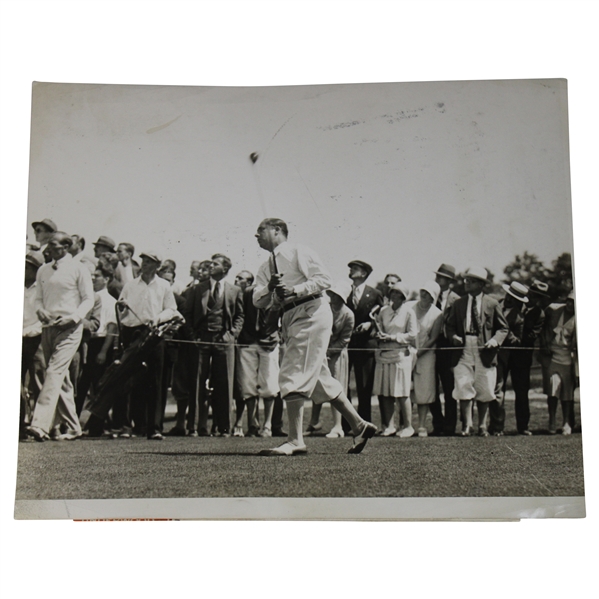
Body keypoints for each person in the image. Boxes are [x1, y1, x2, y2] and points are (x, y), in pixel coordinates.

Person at [253, 218, 377, 455]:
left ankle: (295, 440)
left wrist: (294, 290)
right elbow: (257, 300)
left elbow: (324, 280)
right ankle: (359, 425)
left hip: (311, 311)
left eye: (261, 230)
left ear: (277, 231)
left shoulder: (299, 251)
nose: (256, 235)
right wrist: (270, 287)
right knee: (321, 379)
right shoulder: (266, 265)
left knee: (291, 372)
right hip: (291, 317)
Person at [26, 232, 94, 441]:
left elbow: (88, 299)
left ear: (66, 247)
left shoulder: (78, 268)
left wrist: (74, 318)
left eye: (54, 246)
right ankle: (74, 426)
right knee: (60, 377)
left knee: (54, 373)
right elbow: (38, 299)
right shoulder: (44, 270)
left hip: (69, 328)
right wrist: (40, 311)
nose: (48, 249)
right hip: (48, 327)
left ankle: (40, 424)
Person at [115, 250, 179, 439]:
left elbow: (171, 309)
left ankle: (154, 428)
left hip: (154, 333)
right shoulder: (130, 285)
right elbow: (122, 310)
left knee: (155, 381)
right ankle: (129, 426)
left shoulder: (164, 286)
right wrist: (122, 307)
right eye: (143, 260)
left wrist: (158, 318)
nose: (145, 264)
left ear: (157, 266)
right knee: (128, 379)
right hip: (132, 332)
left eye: (150, 262)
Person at [182, 254, 244, 437]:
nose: (210, 266)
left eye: (215, 264)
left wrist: (231, 335)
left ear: (225, 269)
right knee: (197, 383)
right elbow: (187, 315)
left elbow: (240, 316)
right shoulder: (197, 289)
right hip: (201, 340)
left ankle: (224, 427)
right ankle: (193, 427)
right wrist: (193, 337)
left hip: (223, 341)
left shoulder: (234, 290)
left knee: (225, 384)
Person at [445, 266, 509, 436]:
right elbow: (449, 326)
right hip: (464, 348)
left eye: (471, 281)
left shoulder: (492, 303)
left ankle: (482, 425)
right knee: (463, 384)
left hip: (485, 349)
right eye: (466, 280)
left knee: (485, 387)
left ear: (481, 284)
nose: (467, 283)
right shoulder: (459, 303)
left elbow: (503, 328)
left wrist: (494, 341)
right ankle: (467, 425)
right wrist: (453, 337)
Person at [233, 270, 282, 437]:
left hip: (269, 342)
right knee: (248, 385)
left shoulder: (279, 293)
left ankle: (267, 425)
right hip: (248, 342)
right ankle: (252, 424)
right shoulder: (248, 293)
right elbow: (241, 314)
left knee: (269, 385)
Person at [305, 282, 355, 438]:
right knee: (318, 385)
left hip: (337, 356)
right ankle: (314, 423)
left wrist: (329, 352)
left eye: (338, 296)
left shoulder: (348, 315)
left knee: (335, 388)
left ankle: (338, 426)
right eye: (333, 295)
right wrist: (320, 350)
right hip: (320, 352)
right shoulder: (324, 308)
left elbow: (344, 340)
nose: (334, 298)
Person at [372, 282, 418, 437]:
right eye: (392, 292)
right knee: (386, 392)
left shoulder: (409, 312)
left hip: (401, 356)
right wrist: (379, 335)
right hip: (385, 354)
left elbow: (412, 335)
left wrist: (392, 337)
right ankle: (389, 426)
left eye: (397, 293)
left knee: (402, 392)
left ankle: (408, 426)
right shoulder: (383, 311)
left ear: (403, 296)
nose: (393, 295)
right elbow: (379, 330)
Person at [75, 263, 118, 415]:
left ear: (106, 279)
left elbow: (111, 328)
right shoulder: (89, 297)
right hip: (87, 342)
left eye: (97, 276)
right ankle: (74, 421)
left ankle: (97, 424)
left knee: (98, 385)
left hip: (100, 343)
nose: (93, 279)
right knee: (82, 385)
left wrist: (103, 352)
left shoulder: (111, 301)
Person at [346, 259, 384, 429]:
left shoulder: (375, 293)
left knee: (364, 387)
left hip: (365, 345)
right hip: (346, 344)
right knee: (342, 384)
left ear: (363, 273)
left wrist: (370, 324)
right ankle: (347, 423)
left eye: (355, 269)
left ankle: (364, 423)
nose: (352, 271)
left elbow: (381, 317)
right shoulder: (345, 292)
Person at [488, 281, 529, 436]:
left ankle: (498, 427)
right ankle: (492, 425)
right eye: (510, 296)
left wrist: (504, 331)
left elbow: (517, 340)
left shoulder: (518, 317)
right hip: (489, 352)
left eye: (515, 298)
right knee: (493, 389)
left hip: (504, 357)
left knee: (498, 390)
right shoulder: (494, 304)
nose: (511, 300)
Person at [406, 281, 443, 437]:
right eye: (423, 291)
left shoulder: (437, 314)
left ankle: (421, 425)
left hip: (426, 356)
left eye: (428, 293)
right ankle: (405, 425)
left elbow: (433, 338)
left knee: (424, 390)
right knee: (405, 389)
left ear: (433, 297)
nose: (424, 295)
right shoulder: (409, 306)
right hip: (407, 353)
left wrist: (419, 353)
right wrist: (410, 352)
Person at [430, 263, 461, 435]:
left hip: (448, 348)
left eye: (441, 277)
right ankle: (438, 424)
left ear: (449, 281)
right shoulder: (429, 297)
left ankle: (449, 426)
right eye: (437, 276)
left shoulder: (456, 300)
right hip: (431, 346)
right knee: (431, 387)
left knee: (449, 389)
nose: (437, 280)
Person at [541, 292, 577, 434]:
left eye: (573, 302)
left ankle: (567, 422)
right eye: (568, 301)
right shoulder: (554, 310)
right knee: (552, 389)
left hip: (568, 359)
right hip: (552, 357)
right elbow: (544, 323)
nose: (569, 304)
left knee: (567, 393)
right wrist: (545, 344)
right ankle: (552, 421)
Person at [21, 251, 45, 439]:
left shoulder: (42, 288)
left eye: (27, 267)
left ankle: (40, 425)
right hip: (20, 338)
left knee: (38, 382)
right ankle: (20, 425)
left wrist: (30, 331)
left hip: (36, 338)